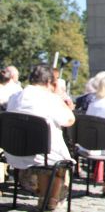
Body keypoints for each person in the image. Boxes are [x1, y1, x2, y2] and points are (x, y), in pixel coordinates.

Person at [5, 64, 75, 210]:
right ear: (50, 82)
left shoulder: (14, 97)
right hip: (42, 156)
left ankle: (44, 199)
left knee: (44, 153)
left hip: (14, 153)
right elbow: (69, 120)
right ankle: (50, 202)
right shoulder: (50, 99)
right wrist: (60, 100)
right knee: (53, 157)